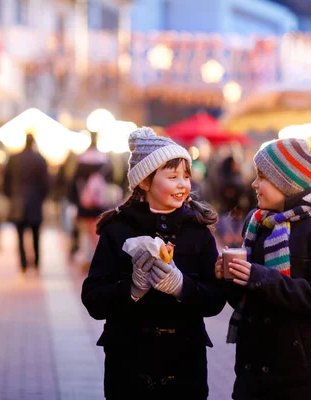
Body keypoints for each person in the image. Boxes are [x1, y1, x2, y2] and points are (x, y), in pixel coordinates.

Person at [81, 127, 226, 399]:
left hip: (186, 366)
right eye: (172, 176)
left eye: (186, 176)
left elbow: (216, 299)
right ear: (145, 183)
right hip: (128, 366)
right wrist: (131, 289)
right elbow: (93, 299)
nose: (182, 184)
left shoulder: (197, 230)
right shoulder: (118, 229)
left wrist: (182, 287)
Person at [216, 138, 311, 400]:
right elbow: (247, 300)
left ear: (288, 183)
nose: (254, 184)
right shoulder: (258, 224)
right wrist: (230, 278)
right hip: (255, 372)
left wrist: (262, 278)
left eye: (263, 177)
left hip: (300, 378)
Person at [4, 133, 49, 277]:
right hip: (35, 201)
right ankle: (36, 263)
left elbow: (6, 181)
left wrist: (11, 197)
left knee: (20, 236)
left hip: (17, 201)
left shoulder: (14, 158)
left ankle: (23, 264)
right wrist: (41, 197)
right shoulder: (40, 159)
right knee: (36, 235)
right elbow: (46, 184)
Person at [69, 131, 112, 269]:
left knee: (85, 232)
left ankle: (86, 259)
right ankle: (97, 258)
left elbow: (74, 182)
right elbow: (113, 180)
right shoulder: (105, 160)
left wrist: (75, 201)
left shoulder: (82, 160)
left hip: (85, 202)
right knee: (98, 231)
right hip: (100, 202)